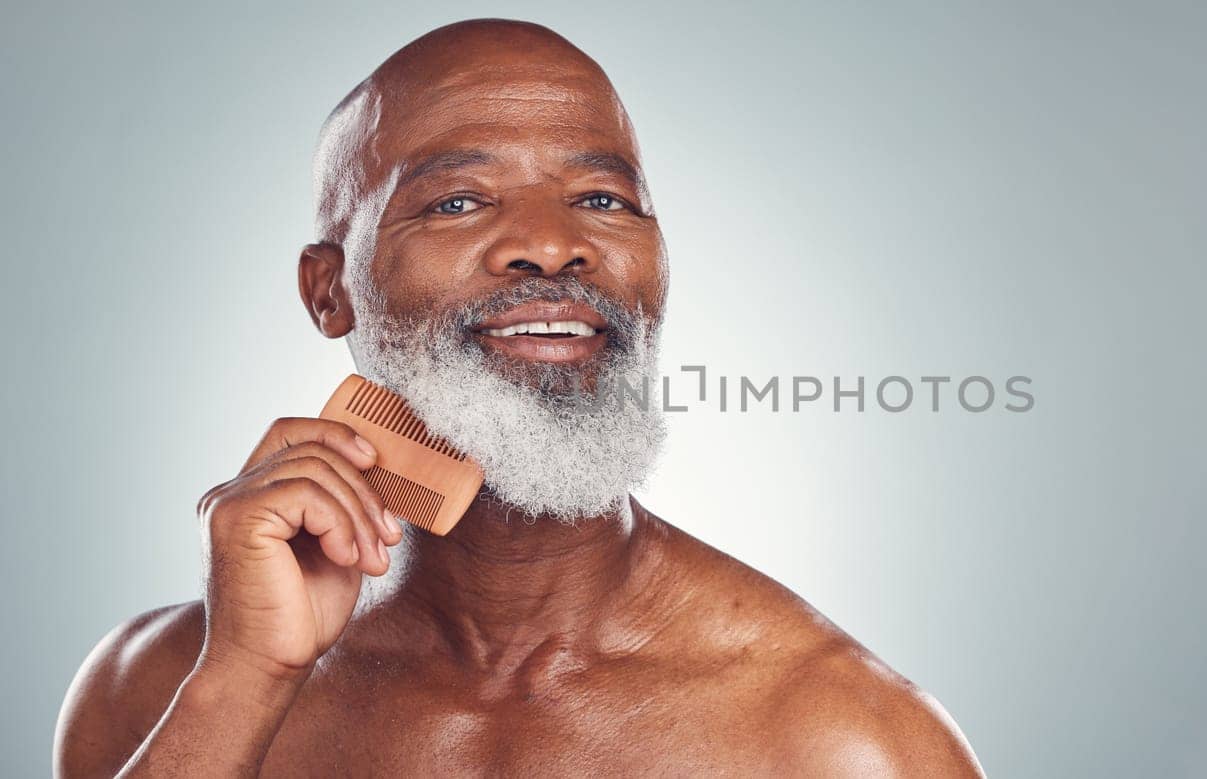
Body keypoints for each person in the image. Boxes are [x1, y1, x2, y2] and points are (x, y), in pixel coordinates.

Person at [54, 18, 983, 776]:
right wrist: (244, 683)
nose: (549, 243)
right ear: (327, 291)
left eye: (605, 200)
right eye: (458, 201)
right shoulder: (157, 692)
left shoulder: (843, 741)